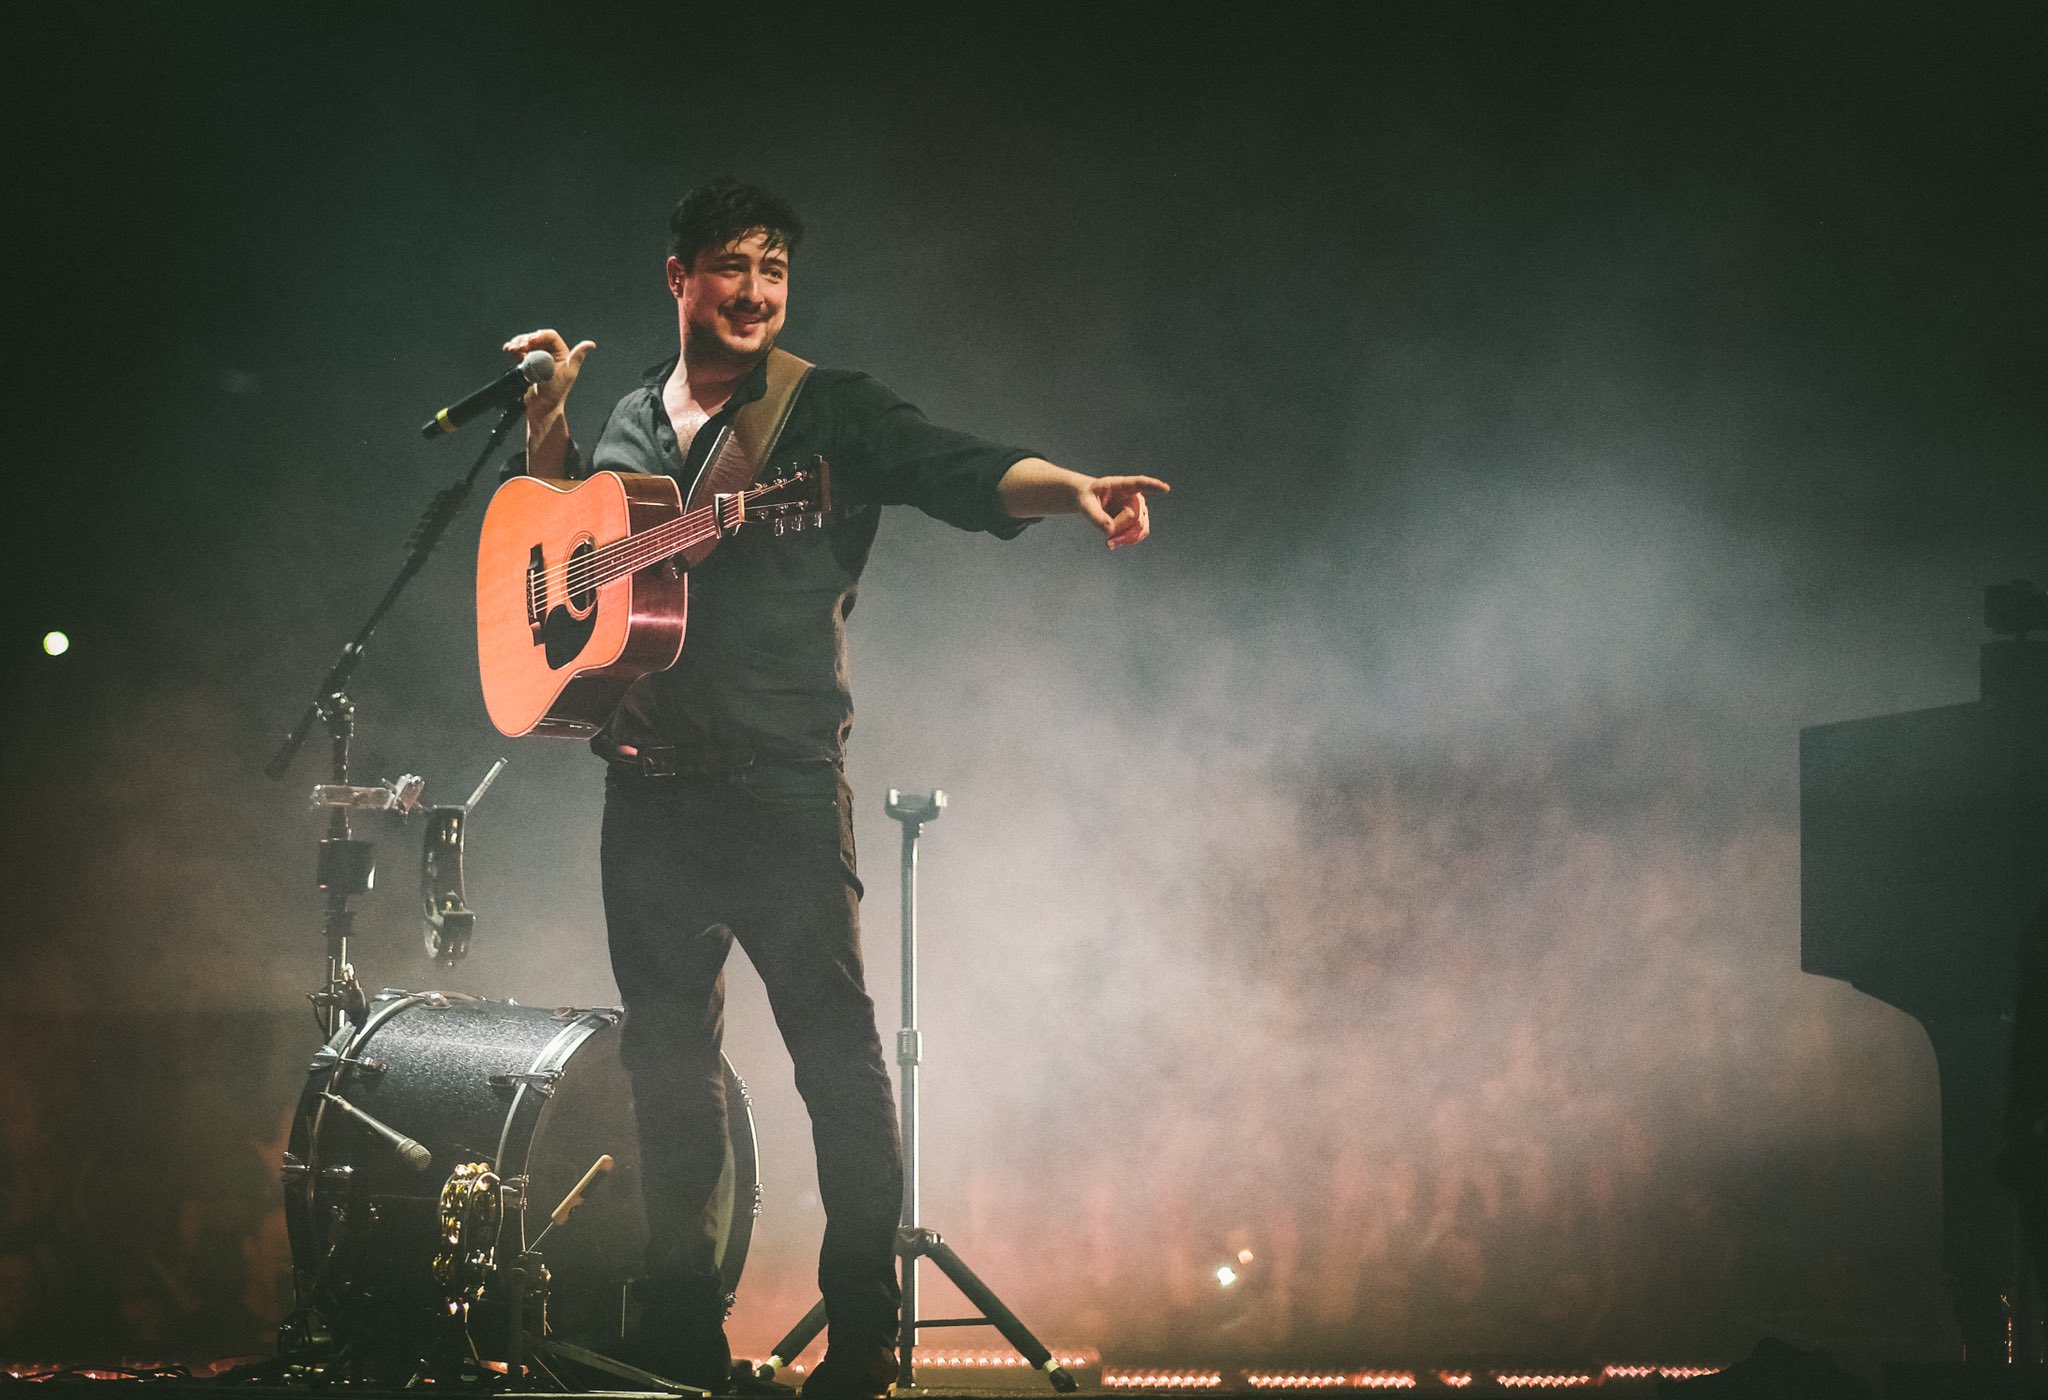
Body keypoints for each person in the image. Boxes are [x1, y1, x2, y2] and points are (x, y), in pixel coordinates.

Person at [501, 179, 1166, 1400]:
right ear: (677, 278)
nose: (754, 292)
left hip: (780, 788)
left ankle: (864, 1335)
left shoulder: (825, 416)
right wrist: (549, 419)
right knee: (665, 1068)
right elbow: (570, 550)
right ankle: (677, 1329)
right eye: (730, 267)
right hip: (645, 787)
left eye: (773, 270)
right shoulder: (633, 418)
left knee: (834, 1062)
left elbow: (954, 465)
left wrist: (1066, 489)